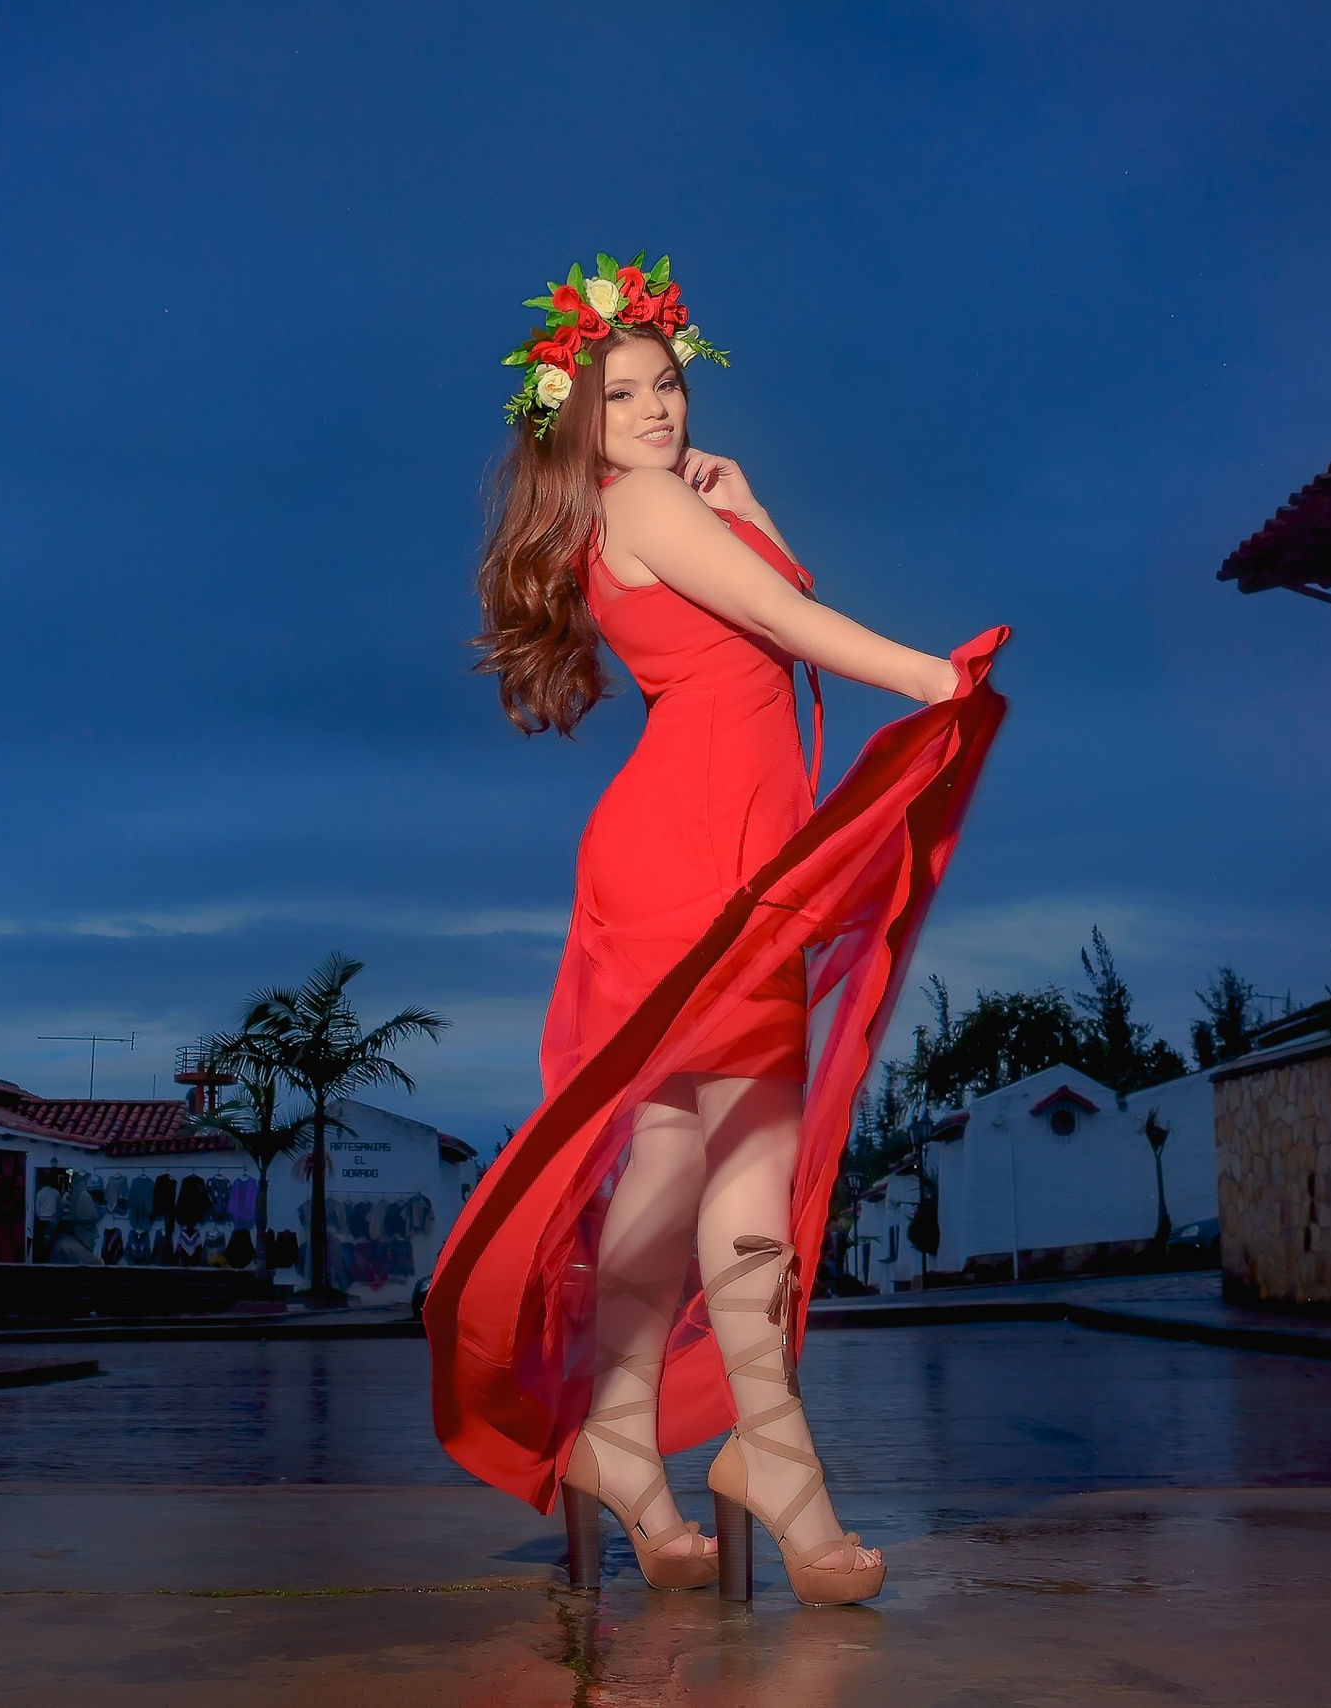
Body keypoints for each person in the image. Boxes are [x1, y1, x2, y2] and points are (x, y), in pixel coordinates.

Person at [425, 255, 1009, 1607]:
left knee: (679, 1163)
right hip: (689, 854)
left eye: (667, 384)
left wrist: (756, 505)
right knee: (739, 1153)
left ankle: (625, 1441)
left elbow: (769, 631)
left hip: (717, 850)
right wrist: (930, 677)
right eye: (620, 391)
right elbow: (784, 619)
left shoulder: (672, 508)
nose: (653, 410)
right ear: (575, 420)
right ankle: (774, 1460)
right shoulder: (633, 501)